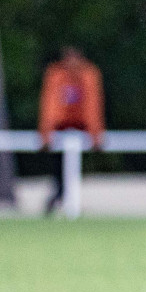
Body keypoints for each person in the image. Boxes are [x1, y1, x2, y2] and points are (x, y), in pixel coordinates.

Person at [38, 46, 106, 215]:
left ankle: (66, 199)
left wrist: (96, 134)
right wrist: (46, 133)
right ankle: (59, 196)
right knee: (58, 167)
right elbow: (50, 106)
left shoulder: (88, 75)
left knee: (76, 167)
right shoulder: (57, 75)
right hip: (60, 130)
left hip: (81, 130)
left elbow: (93, 105)